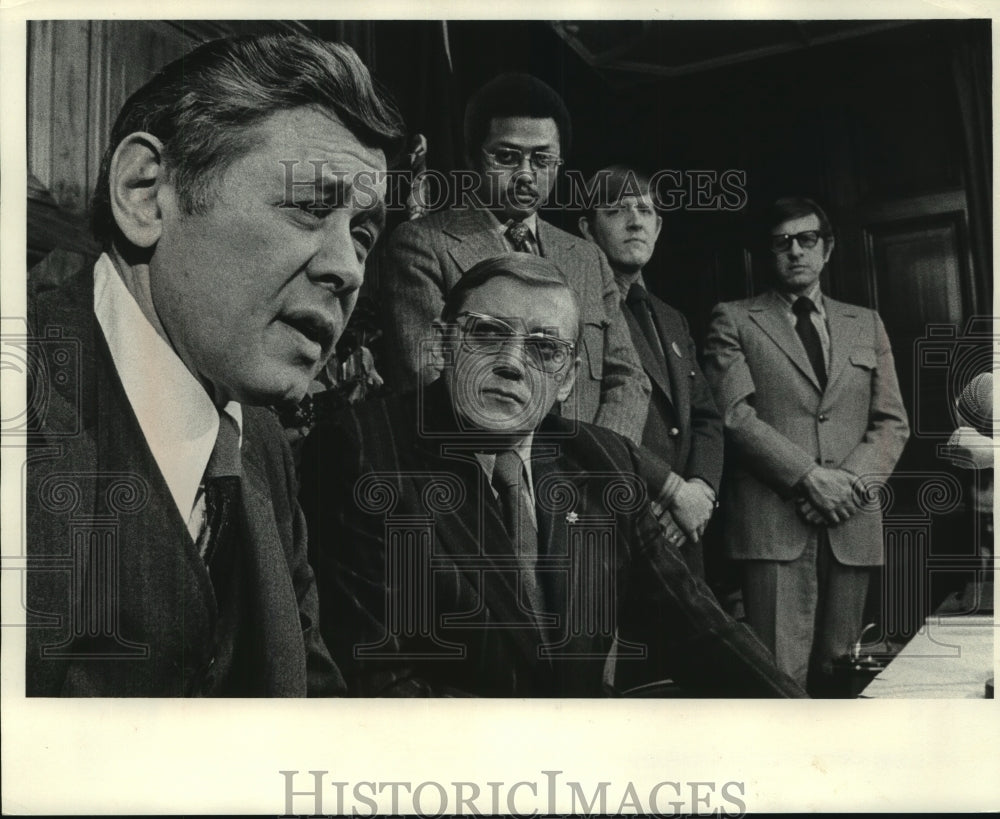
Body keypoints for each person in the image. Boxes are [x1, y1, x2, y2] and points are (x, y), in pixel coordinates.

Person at [25, 33, 405, 696]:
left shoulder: (261, 446)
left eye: (363, 235)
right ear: (146, 193)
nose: (347, 268)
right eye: (312, 205)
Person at [300, 254, 806, 697]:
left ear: (566, 380)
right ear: (441, 344)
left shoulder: (605, 463)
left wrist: (815, 732)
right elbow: (378, 685)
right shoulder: (360, 451)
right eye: (488, 333)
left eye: (544, 349)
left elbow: (701, 631)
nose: (513, 364)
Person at [702, 196, 910, 695]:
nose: (795, 251)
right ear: (766, 254)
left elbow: (892, 422)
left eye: (806, 239)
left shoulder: (867, 322)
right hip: (774, 526)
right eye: (782, 243)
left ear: (828, 248)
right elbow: (733, 415)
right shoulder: (733, 319)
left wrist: (848, 486)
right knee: (778, 681)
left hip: (850, 523)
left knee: (844, 677)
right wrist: (810, 478)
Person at [379, 72, 650, 445]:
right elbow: (429, 379)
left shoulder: (588, 258)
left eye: (541, 159)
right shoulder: (422, 245)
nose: (525, 174)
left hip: (586, 486)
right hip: (480, 480)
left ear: (558, 165)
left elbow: (629, 379)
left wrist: (592, 466)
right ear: (473, 158)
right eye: (506, 157)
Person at [578, 166, 723, 575]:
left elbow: (706, 418)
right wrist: (668, 494)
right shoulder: (577, 306)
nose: (635, 220)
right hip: (619, 518)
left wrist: (700, 492)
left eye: (645, 210)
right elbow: (586, 422)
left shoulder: (671, 318)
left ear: (658, 227)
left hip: (684, 528)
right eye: (617, 210)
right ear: (587, 229)